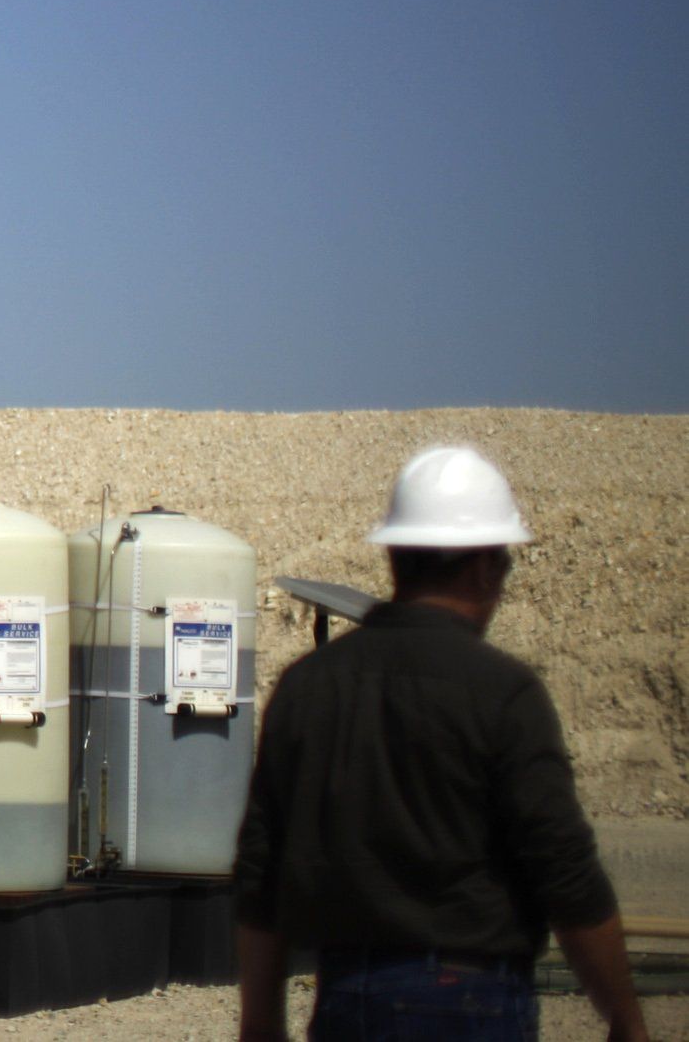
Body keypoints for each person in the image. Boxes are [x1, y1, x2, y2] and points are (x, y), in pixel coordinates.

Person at [235, 445, 646, 1041]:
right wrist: (626, 1019)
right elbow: (565, 871)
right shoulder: (505, 692)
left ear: (397, 557)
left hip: (348, 998)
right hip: (474, 1003)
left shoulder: (308, 688)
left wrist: (260, 1022)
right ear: (486, 567)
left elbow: (260, 872)